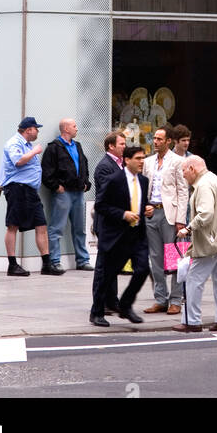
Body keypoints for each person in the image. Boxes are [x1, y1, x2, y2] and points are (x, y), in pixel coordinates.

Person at [90, 144, 150, 326]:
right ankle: (97, 312)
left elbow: (141, 203)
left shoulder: (144, 181)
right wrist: (123, 214)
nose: (142, 162)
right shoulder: (114, 180)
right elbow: (100, 205)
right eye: (138, 158)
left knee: (142, 269)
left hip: (137, 235)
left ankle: (125, 305)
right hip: (116, 236)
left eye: (143, 158)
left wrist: (147, 209)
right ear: (127, 160)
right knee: (107, 276)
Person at [176, 156, 217, 332]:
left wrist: (188, 228)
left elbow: (206, 213)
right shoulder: (213, 179)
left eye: (184, 170)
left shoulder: (203, 185)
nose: (183, 174)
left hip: (210, 242)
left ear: (193, 169)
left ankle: (191, 321)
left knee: (193, 280)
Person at [0, 116, 60, 276]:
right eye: (36, 128)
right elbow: (18, 161)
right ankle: (12, 265)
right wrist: (34, 152)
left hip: (30, 191)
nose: (37, 131)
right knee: (13, 225)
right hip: (17, 189)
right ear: (28, 130)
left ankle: (46, 264)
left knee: (41, 225)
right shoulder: (14, 143)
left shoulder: (27, 145)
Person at [142, 124, 190, 315]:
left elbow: (183, 191)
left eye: (159, 139)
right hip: (152, 212)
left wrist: (181, 219)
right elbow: (144, 185)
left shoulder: (178, 161)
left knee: (175, 258)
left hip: (170, 215)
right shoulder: (148, 161)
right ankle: (160, 299)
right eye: (154, 138)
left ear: (168, 141)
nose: (155, 141)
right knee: (155, 259)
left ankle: (176, 300)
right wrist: (144, 206)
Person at [42, 118, 92, 273]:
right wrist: (56, 186)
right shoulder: (54, 148)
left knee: (80, 229)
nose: (77, 128)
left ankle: (83, 260)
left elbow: (84, 164)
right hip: (63, 194)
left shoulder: (77, 145)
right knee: (56, 228)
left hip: (78, 192)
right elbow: (46, 171)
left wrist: (86, 183)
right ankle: (55, 261)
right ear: (65, 129)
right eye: (74, 126)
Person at [92, 129, 126, 314]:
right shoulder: (104, 166)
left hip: (116, 223)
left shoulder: (120, 165)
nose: (124, 147)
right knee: (104, 266)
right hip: (106, 223)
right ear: (111, 146)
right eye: (121, 144)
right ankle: (102, 301)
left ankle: (112, 300)